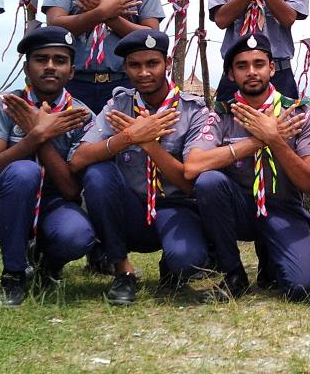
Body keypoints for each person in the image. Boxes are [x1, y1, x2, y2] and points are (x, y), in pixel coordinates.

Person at [69, 29, 210, 305]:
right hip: (131, 209)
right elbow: (78, 159)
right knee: (98, 174)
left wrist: (149, 145)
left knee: (188, 260)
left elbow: (189, 183)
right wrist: (128, 137)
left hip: (175, 207)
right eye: (135, 65)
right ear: (125, 67)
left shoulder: (194, 111)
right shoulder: (118, 105)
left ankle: (172, 265)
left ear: (167, 63)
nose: (144, 72)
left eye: (152, 64)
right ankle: (123, 271)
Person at [185, 33, 310, 302]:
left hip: (283, 209)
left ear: (272, 68)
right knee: (209, 182)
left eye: (259, 64)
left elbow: (308, 183)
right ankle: (233, 274)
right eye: (242, 66)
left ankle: (271, 257)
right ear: (231, 74)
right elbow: (192, 167)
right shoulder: (222, 115)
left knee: (304, 290)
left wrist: (276, 140)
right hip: (240, 210)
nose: (252, 72)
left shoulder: (297, 114)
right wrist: (258, 140)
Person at [0, 26, 96, 306]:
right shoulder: (7, 104)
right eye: (41, 59)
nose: (50, 67)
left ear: (72, 71)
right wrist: (33, 136)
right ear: (26, 68)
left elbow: (70, 190)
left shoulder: (80, 115)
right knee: (24, 171)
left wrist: (41, 138)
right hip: (5, 205)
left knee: (77, 235)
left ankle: (48, 264)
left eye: (60, 60)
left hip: (55, 204)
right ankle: (14, 274)